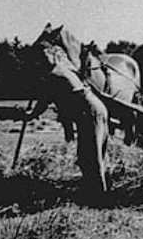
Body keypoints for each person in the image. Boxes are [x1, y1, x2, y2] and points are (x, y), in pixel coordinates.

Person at [25, 45, 109, 195]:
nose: (42, 62)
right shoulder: (64, 70)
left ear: (54, 58)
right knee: (92, 154)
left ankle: (98, 196)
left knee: (90, 156)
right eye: (39, 60)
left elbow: (43, 104)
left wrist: (27, 115)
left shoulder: (55, 75)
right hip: (95, 110)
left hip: (89, 112)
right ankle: (98, 189)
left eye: (45, 58)